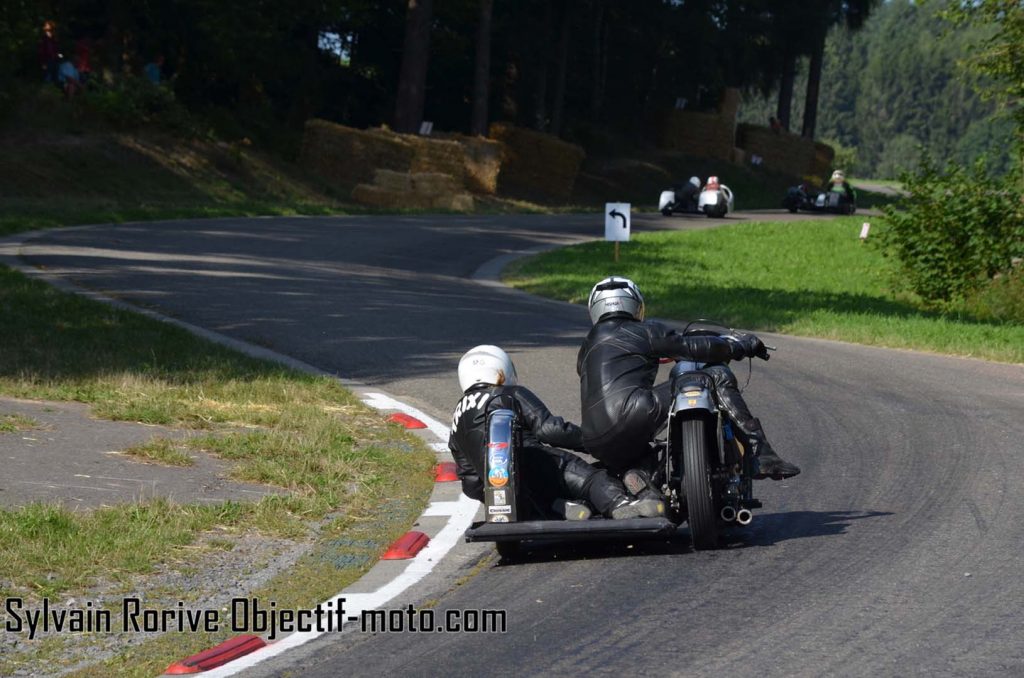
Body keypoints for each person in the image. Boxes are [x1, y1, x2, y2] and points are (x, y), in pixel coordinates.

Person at [577, 277, 801, 507]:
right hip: (634, 412)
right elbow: (694, 348)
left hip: (594, 438)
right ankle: (760, 452)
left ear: (594, 309)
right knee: (712, 377)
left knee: (648, 455)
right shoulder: (643, 331)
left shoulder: (586, 346)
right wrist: (740, 346)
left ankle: (642, 480)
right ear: (636, 305)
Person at [449, 345, 655, 520]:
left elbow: (470, 482)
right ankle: (620, 504)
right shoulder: (508, 393)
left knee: (546, 495)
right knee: (594, 479)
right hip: (536, 461)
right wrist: (593, 442)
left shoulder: (456, 419)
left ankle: (558, 506)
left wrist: (495, 495)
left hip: (509, 491)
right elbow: (549, 429)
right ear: (501, 369)